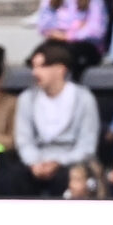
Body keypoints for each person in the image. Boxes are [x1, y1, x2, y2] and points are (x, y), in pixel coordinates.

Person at [15, 41, 101, 196]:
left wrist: (59, 162)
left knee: (68, 177)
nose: (35, 72)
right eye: (34, 67)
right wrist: (34, 163)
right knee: (15, 176)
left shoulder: (84, 98)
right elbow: (24, 140)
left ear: (60, 69)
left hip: (71, 161)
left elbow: (87, 145)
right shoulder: (26, 98)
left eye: (42, 67)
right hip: (37, 162)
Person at [36, 0, 108, 75]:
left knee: (61, 56)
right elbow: (44, 24)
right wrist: (73, 27)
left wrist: (69, 35)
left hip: (85, 46)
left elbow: (96, 30)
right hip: (57, 43)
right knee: (39, 55)